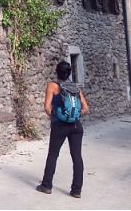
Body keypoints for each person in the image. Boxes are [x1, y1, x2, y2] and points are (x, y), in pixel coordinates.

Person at [36, 61, 90, 198]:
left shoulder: (52, 86)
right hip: (76, 126)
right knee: (77, 156)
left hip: (59, 126)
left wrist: (56, 117)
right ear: (69, 73)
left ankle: (46, 185)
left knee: (53, 155)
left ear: (57, 72)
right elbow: (86, 109)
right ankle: (76, 190)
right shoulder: (76, 88)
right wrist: (75, 116)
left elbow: (47, 107)